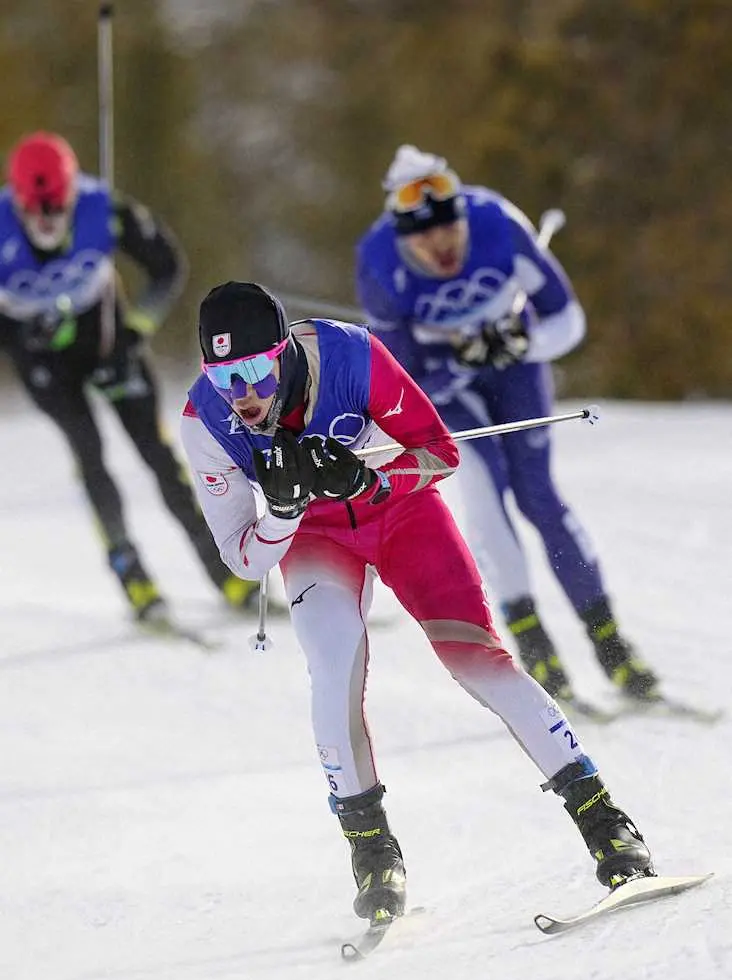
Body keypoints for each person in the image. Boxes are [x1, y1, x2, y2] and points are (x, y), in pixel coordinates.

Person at [180, 279, 654, 924]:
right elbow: (242, 558)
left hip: (401, 514)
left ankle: (607, 825)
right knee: (332, 672)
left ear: (286, 351)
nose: (247, 395)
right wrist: (287, 511)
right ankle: (373, 853)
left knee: (476, 659)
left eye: (258, 369)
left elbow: (439, 451)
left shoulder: (351, 356)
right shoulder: (204, 419)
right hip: (316, 536)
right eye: (225, 376)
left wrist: (368, 477)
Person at [355, 144, 659, 706]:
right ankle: (534, 641)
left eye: (449, 230)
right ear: (402, 239)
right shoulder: (379, 263)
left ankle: (611, 645)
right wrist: (458, 360)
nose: (441, 245)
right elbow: (401, 382)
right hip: (450, 391)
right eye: (423, 238)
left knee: (540, 497)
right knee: (485, 487)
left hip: (516, 373)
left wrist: (523, 342)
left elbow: (568, 319)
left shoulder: (498, 225)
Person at [0, 131, 258, 622]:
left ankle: (224, 571)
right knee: (89, 453)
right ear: (17, 202)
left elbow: (168, 266)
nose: (50, 222)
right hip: (44, 364)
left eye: (60, 209)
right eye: (38, 213)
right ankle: (132, 575)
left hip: (107, 343)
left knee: (159, 455)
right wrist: (17, 335)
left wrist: (134, 332)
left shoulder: (106, 209)